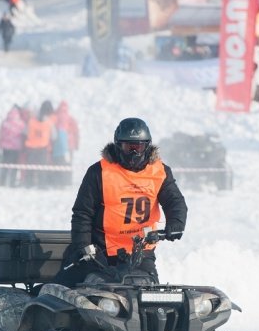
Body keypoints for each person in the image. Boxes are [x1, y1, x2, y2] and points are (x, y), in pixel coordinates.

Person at [55, 117, 187, 287]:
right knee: (61, 289)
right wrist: (83, 246)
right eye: (128, 147)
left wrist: (176, 223)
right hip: (99, 252)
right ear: (118, 146)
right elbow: (82, 213)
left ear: (147, 146)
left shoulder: (160, 172)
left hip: (141, 252)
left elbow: (175, 201)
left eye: (138, 147)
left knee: (147, 294)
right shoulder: (99, 172)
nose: (133, 153)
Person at [24, 101, 56, 187]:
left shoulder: (31, 120)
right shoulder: (49, 122)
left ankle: (28, 184)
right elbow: (54, 136)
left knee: (30, 167)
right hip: (43, 147)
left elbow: (25, 132)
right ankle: (42, 184)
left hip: (31, 147)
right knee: (42, 167)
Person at [0, 105, 27, 187]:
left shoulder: (5, 123)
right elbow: (25, 134)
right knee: (14, 167)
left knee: (5, 166)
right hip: (16, 148)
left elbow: (0, 135)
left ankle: (2, 182)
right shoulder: (21, 123)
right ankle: (12, 183)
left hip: (5, 148)